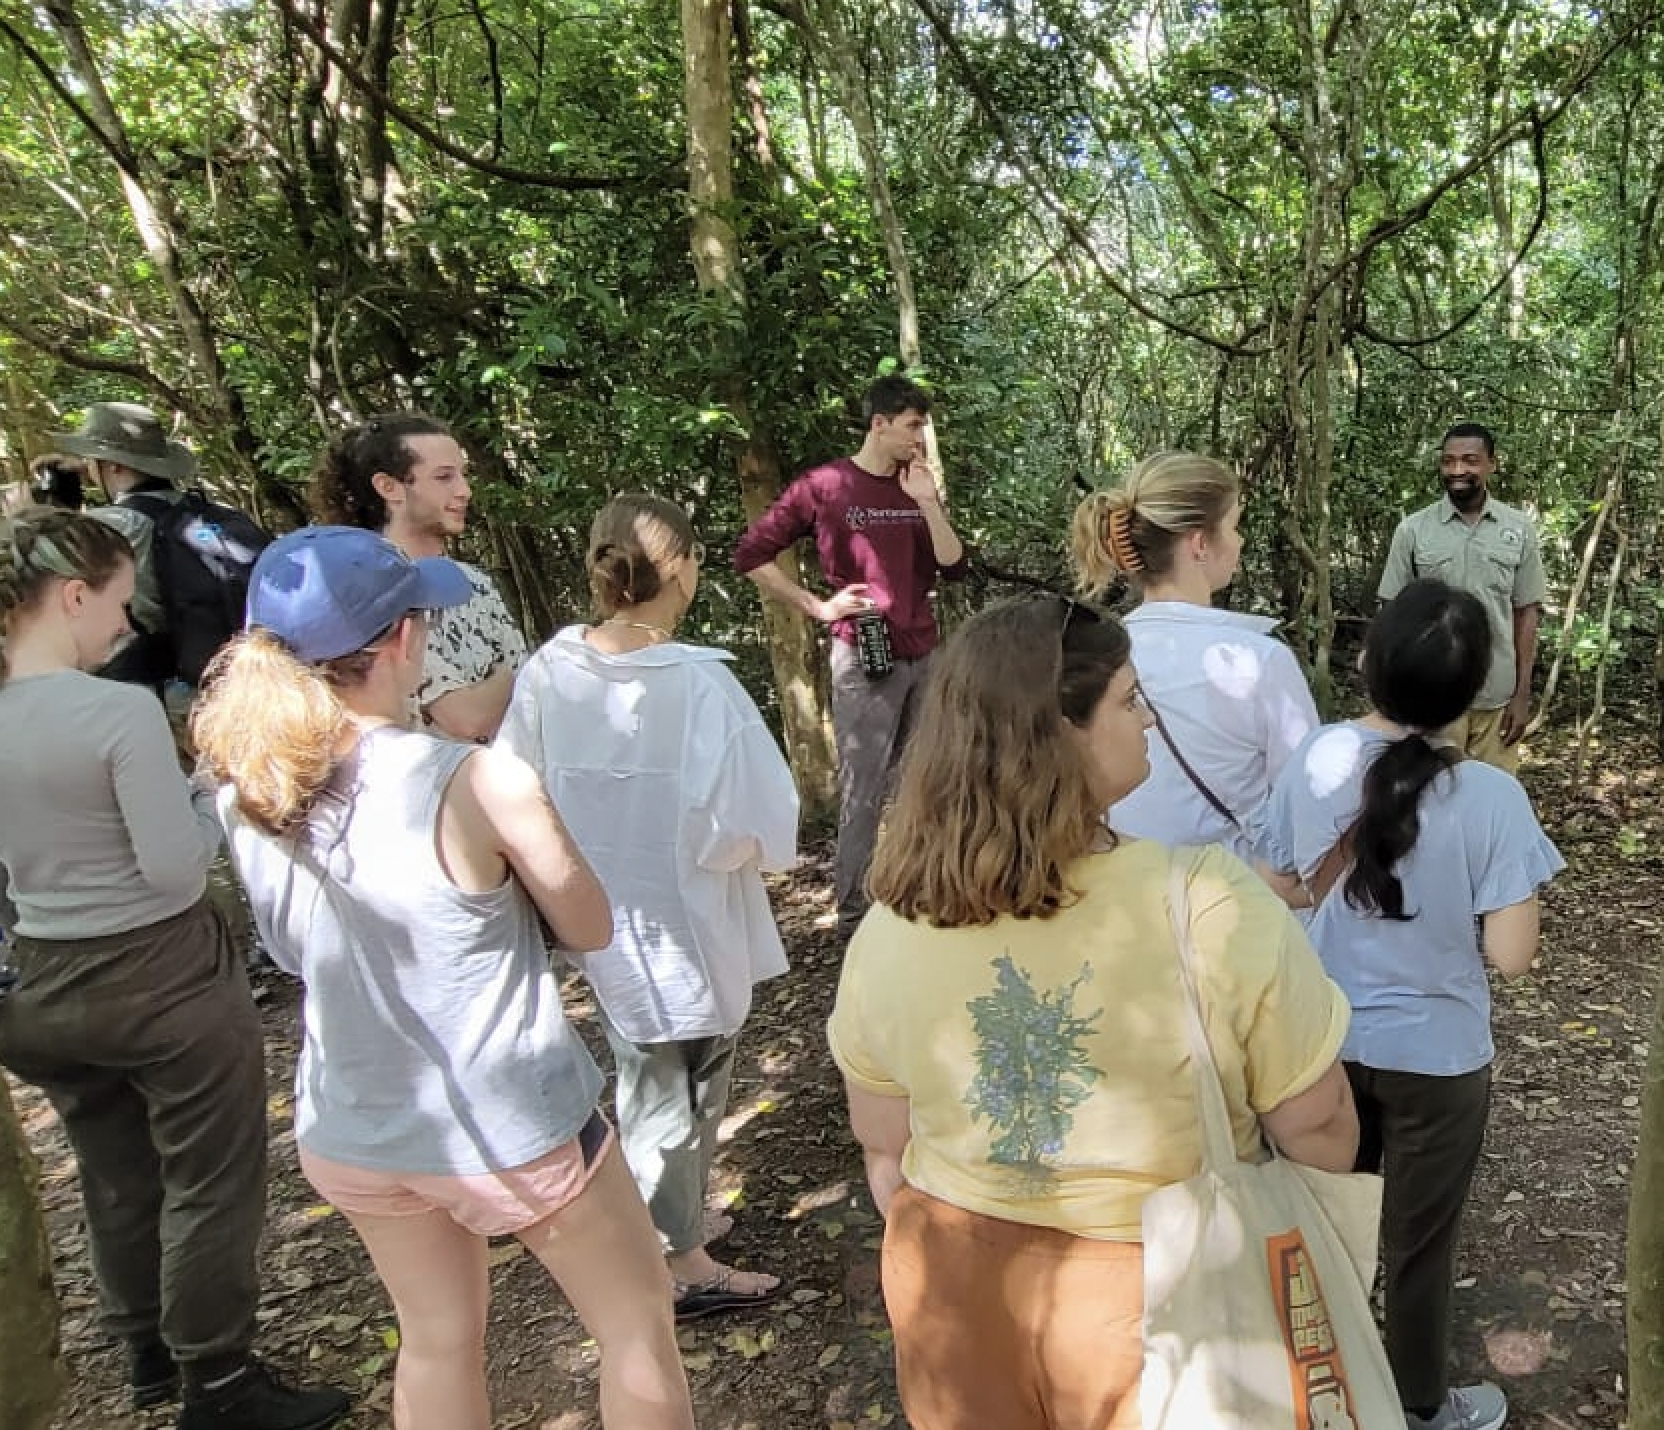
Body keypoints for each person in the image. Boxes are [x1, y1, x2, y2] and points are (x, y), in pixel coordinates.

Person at [192, 526, 693, 1430]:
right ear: (402, 640)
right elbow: (589, 922)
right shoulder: (474, 779)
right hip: (510, 1126)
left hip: (354, 1124)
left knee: (434, 1336)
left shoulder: (251, 788)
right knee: (634, 1326)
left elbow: (294, 949)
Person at [827, 594, 1362, 1430]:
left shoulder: (894, 923)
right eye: (1130, 699)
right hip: (1166, 1294)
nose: (1148, 720)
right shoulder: (1209, 904)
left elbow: (884, 1147)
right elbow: (1321, 1124)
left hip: (953, 1289)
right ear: (1059, 731)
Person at [0, 510, 348, 1430]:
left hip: (42, 978)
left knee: (112, 1166)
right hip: (161, 974)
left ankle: (147, 1350)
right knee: (208, 1174)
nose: (125, 626)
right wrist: (205, 799)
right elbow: (173, 870)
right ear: (73, 596)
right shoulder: (112, 712)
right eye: (118, 603)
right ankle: (220, 1380)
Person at [1256, 579, 1566, 1430]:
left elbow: (1275, 882)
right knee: (1417, 1249)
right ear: (1474, 694)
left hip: (1321, 1046)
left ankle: (1317, 1397)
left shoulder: (1317, 760)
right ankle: (1418, 1409)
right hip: (1440, 1059)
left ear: (1368, 663)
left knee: (1321, 1231)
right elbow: (1511, 956)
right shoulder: (1495, 799)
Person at [502, 494, 799, 1321]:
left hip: (596, 916)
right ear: (681, 568)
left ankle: (675, 1215)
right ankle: (681, 1263)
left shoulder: (550, 671)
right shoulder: (699, 685)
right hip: (689, 916)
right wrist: (735, 855)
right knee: (679, 1087)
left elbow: (512, 785)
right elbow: (760, 814)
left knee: (652, 1071)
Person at [731, 375, 968, 932]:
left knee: (925, 779)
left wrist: (929, 504)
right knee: (863, 787)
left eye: (923, 427)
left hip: (926, 653)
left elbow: (955, 565)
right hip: (865, 656)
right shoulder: (826, 486)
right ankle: (853, 911)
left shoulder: (916, 486)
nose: (920, 438)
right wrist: (816, 606)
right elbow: (751, 554)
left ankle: (920, 893)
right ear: (878, 424)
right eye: (912, 426)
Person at [1068, 450, 1321, 855]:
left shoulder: (1094, 657)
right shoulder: (1259, 662)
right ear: (1200, 544)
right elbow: (1309, 802)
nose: (1240, 541)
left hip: (1127, 892)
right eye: (1234, 526)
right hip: (1235, 899)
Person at [309, 413, 533, 741]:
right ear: (389, 487)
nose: (465, 491)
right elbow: (468, 718)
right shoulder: (368, 594)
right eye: (444, 477)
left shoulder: (476, 584)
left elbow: (530, 700)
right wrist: (509, 680)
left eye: (463, 475)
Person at [58, 401, 272, 741]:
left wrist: (47, 503)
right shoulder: (208, 513)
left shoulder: (115, 525)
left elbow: (37, 568)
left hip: (164, 696)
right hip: (236, 684)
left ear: (112, 467)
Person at [1377, 423, 1546, 772]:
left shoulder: (1517, 529)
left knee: (1492, 801)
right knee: (1431, 802)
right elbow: (1391, 614)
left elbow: (1526, 613)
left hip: (1495, 697)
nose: (1458, 470)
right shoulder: (1413, 530)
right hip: (1431, 697)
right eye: (1449, 461)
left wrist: (1522, 694)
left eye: (1470, 461)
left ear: (1491, 464)